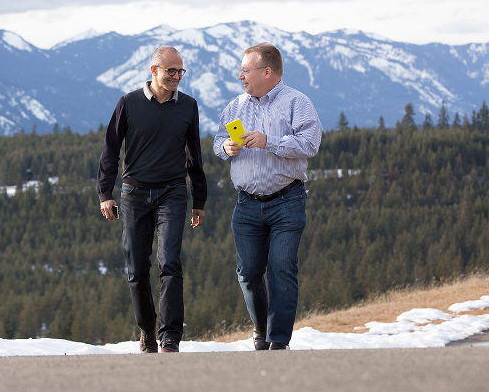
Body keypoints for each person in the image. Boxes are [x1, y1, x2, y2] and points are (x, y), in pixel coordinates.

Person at [97, 46, 207, 353]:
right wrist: (105, 193)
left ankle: (169, 336)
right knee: (136, 268)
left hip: (173, 192)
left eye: (180, 71)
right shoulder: (128, 103)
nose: (176, 77)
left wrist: (199, 199)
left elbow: (194, 155)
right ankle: (147, 331)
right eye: (170, 71)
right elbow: (110, 149)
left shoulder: (188, 106)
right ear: (153, 70)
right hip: (133, 194)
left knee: (170, 262)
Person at [213, 42, 322, 350]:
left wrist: (269, 141)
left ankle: (278, 340)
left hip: (287, 201)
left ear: (267, 72)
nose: (240, 76)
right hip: (246, 205)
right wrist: (226, 147)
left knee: (281, 267)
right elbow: (219, 139)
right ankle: (261, 328)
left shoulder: (297, 103)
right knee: (247, 273)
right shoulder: (236, 106)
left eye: (245, 71)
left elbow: (310, 145)